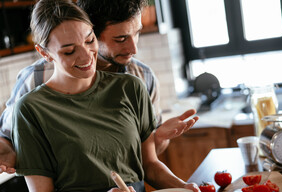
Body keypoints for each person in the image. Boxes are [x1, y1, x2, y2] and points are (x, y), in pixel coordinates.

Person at [11, 0, 203, 192]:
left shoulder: (131, 87)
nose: (86, 56)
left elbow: (150, 165)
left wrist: (183, 188)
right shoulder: (30, 108)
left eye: (90, 40)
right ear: (44, 53)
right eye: (69, 51)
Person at [0, 0, 199, 174]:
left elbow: (150, 156)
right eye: (120, 39)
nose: (133, 48)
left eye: (136, 34)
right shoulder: (36, 78)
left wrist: (159, 137)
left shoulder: (141, 78)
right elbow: (7, 137)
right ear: (89, 30)